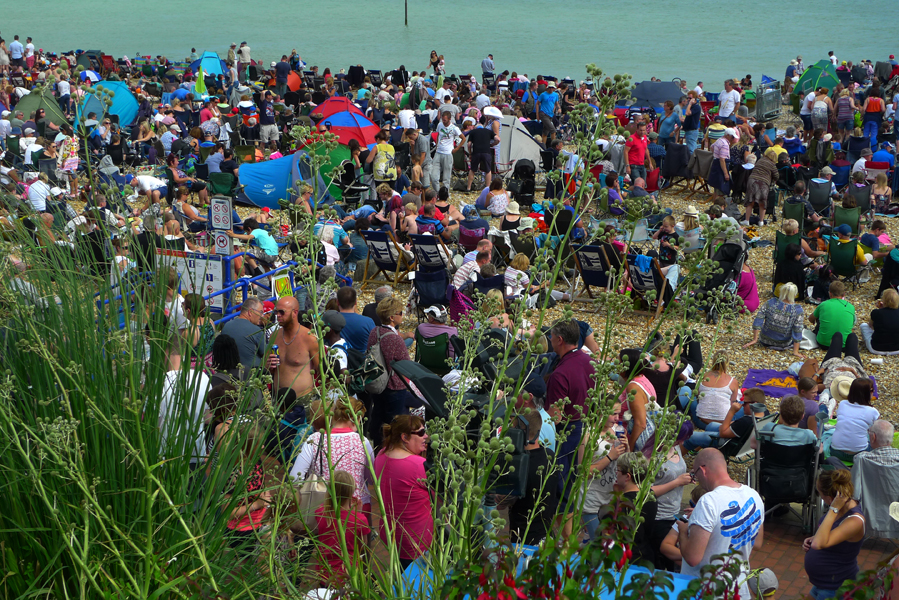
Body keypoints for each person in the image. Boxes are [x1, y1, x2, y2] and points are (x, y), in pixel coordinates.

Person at [679, 448, 764, 600]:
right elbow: (757, 543)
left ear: (703, 470)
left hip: (707, 590)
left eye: (695, 473)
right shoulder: (754, 495)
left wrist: (683, 532)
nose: (696, 478)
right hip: (738, 588)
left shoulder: (708, 502)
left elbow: (692, 558)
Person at [545, 319, 596, 541]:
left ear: (560, 339)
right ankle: (571, 536)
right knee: (571, 484)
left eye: (551, 336)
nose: (549, 340)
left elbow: (554, 417)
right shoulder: (589, 362)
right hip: (581, 425)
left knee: (560, 487)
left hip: (563, 432)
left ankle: (567, 541)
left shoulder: (560, 373)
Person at [374, 414, 433, 569]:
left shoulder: (381, 454)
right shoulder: (419, 465)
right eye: (420, 433)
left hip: (391, 534)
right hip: (416, 540)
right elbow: (440, 496)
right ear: (405, 437)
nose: (426, 436)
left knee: (400, 575)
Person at [803, 470, 866, 599]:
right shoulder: (839, 508)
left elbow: (818, 545)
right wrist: (814, 537)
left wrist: (833, 508)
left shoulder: (855, 521)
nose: (819, 497)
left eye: (819, 493)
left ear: (831, 498)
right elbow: (829, 535)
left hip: (835, 588)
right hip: (823, 584)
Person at [367, 297, 415, 447]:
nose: (403, 315)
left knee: (378, 414)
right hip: (394, 386)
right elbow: (405, 364)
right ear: (392, 317)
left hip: (377, 381)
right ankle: (390, 449)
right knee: (393, 421)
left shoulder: (374, 331)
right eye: (400, 312)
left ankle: (376, 446)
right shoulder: (396, 340)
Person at [505, 410, 558, 546]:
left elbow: (501, 503)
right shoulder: (551, 456)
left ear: (520, 432)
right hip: (545, 537)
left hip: (522, 540)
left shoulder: (519, 464)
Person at [646, 422, 694, 568]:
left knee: (669, 560)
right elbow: (645, 492)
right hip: (657, 515)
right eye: (680, 438)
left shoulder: (676, 447)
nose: (682, 442)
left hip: (673, 512)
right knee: (661, 559)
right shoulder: (651, 456)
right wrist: (677, 482)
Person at [612, 452, 658, 564]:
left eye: (617, 471)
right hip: (646, 555)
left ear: (627, 476)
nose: (616, 474)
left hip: (625, 559)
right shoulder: (650, 496)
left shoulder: (620, 504)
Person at [271, 297, 320, 400]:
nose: (278, 315)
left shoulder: (310, 338)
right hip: (278, 400)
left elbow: (322, 372)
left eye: (282, 312)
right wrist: (268, 364)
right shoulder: (274, 336)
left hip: (302, 402)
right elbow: (268, 369)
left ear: (295, 312)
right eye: (276, 311)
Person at [745, 282, 806, 358]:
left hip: (765, 340)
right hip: (784, 343)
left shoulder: (771, 302)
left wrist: (755, 339)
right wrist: (795, 352)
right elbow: (797, 330)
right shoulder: (797, 310)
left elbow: (758, 319)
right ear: (794, 294)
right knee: (803, 328)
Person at [831, 378, 879, 457]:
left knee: (829, 435)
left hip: (835, 451)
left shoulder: (842, 404)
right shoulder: (873, 412)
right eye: (872, 390)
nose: (873, 392)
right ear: (867, 393)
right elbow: (876, 434)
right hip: (860, 454)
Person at [752, 395, 818, 448]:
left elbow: (753, 444)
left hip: (772, 463)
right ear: (802, 417)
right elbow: (819, 450)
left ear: (781, 415)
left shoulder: (770, 428)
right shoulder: (808, 435)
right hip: (798, 464)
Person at [809, 281, 856, 349]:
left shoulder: (824, 304)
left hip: (823, 344)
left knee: (821, 315)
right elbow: (852, 323)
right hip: (843, 345)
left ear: (830, 293)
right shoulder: (851, 307)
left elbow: (811, 319)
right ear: (844, 294)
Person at [742, 148, 778, 226]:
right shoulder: (772, 165)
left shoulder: (760, 160)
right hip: (763, 183)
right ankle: (761, 221)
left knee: (750, 201)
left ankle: (747, 220)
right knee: (762, 202)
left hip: (752, 180)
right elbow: (776, 176)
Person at [336, 286, 375, 353]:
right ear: (356, 302)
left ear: (337, 302)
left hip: (336, 359)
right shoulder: (368, 322)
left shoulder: (329, 319)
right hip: (361, 360)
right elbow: (374, 343)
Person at [860, 289, 899, 354]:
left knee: (863, 326)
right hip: (897, 349)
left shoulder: (876, 312)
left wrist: (880, 309)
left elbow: (870, 326)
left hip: (876, 348)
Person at [431, 111, 461, 190]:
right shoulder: (440, 125)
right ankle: (438, 193)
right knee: (434, 176)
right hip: (438, 152)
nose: (443, 122)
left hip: (448, 153)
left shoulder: (454, 128)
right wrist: (437, 145)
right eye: (442, 120)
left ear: (449, 119)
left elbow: (463, 138)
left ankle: (445, 195)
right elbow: (437, 134)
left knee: (446, 178)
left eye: (445, 120)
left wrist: (456, 148)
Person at [537, 81, 560, 145]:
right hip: (543, 113)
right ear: (547, 88)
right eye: (549, 87)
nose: (550, 89)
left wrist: (559, 108)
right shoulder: (543, 94)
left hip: (550, 114)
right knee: (553, 130)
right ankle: (554, 146)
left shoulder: (555, 95)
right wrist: (537, 115)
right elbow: (537, 104)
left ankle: (543, 146)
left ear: (554, 88)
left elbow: (556, 103)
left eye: (552, 88)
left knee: (545, 132)